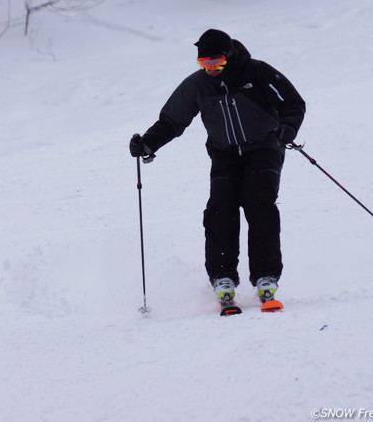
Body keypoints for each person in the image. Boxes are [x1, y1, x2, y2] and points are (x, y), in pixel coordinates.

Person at [129, 29, 305, 311]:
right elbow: (172, 120)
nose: (210, 70)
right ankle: (223, 277)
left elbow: (293, 104)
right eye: (204, 64)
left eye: (216, 63)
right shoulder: (197, 85)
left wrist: (287, 128)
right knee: (220, 208)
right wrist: (148, 143)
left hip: (264, 147)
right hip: (224, 154)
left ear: (229, 57)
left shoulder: (257, 72)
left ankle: (265, 276)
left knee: (258, 203)